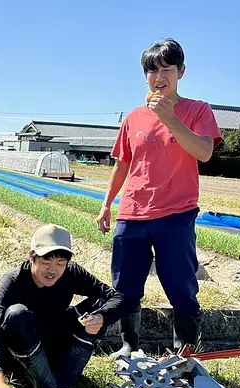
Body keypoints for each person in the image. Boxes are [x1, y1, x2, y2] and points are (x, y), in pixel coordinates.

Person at [96, 38, 222, 358]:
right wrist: (107, 204)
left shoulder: (197, 110)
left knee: (180, 285)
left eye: (167, 68)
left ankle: (185, 353)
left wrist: (170, 120)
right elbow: (123, 163)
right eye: (152, 70)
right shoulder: (134, 118)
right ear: (145, 77)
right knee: (125, 285)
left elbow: (204, 152)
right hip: (133, 212)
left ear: (181, 71)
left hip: (176, 213)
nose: (159, 75)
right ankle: (129, 346)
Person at [0, 224, 126, 388]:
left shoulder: (72, 273)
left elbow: (117, 298)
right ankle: (47, 386)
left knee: (99, 305)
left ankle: (65, 379)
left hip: (53, 343)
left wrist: (101, 318)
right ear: (31, 257)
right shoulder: (14, 281)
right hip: (23, 349)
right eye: (46, 262)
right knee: (17, 314)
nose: (53, 270)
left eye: (60, 263)